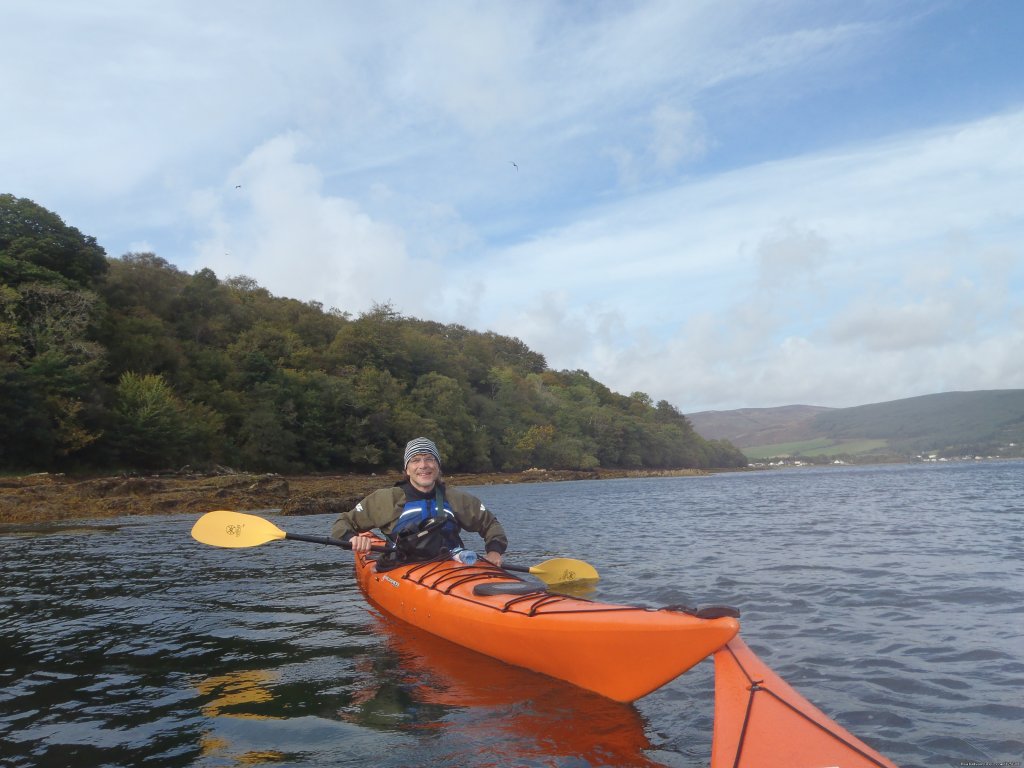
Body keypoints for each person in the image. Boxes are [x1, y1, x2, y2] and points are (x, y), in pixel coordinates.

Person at [331, 437, 507, 567]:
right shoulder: (387, 498)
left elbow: (490, 524)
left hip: (451, 564)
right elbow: (342, 524)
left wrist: (494, 551)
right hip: (402, 567)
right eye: (415, 460)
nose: (423, 465)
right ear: (407, 469)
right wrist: (352, 538)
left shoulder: (456, 498)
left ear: (438, 466)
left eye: (429, 458)